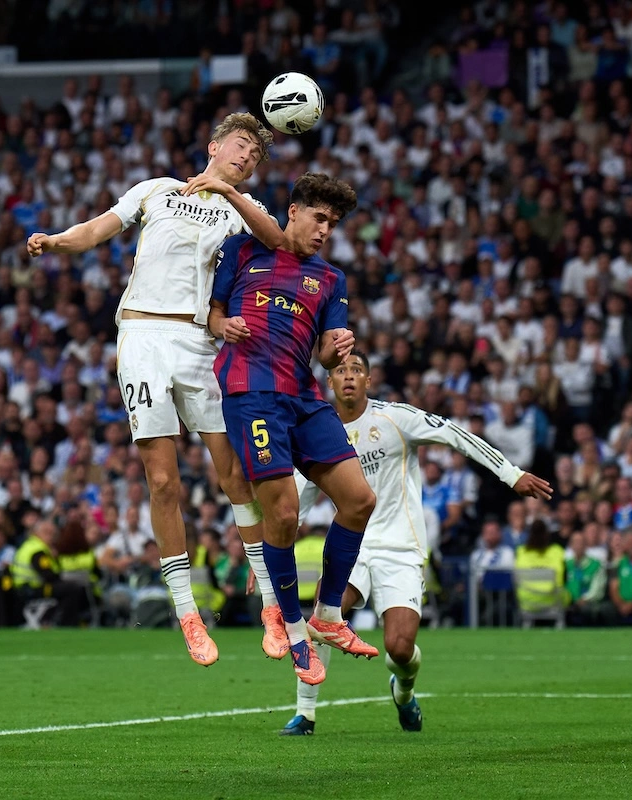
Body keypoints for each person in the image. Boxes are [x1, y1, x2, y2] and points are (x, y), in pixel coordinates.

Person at [26, 113, 286, 666]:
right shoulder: (157, 190)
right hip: (143, 336)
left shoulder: (245, 211)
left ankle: (271, 602)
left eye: (255, 156)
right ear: (214, 145)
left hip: (200, 344)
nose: (246, 157)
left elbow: (281, 243)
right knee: (163, 481)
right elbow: (97, 228)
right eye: (240, 146)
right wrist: (56, 241)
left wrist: (228, 193)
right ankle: (188, 612)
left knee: (234, 473)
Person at [280, 352, 553, 734]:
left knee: (400, 649)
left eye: (357, 370)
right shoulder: (320, 434)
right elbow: (298, 499)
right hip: (350, 545)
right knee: (323, 617)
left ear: (369, 381)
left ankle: (404, 691)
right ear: (330, 382)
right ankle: (304, 713)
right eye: (340, 370)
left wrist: (510, 473)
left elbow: (455, 435)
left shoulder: (395, 417)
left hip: (400, 548)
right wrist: (263, 556)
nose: (348, 377)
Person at [209, 172, 377, 687]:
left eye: (334, 223)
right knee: (283, 511)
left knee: (359, 500)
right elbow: (212, 314)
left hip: (303, 395)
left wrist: (336, 349)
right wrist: (223, 327)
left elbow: (324, 353)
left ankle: (328, 614)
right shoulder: (242, 250)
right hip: (251, 391)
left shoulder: (330, 279)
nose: (325, 230)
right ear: (294, 211)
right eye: (319, 218)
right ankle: (296, 632)